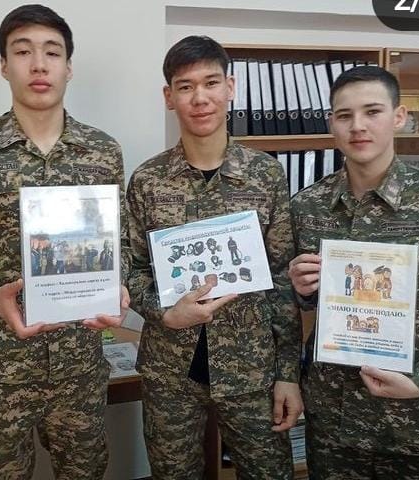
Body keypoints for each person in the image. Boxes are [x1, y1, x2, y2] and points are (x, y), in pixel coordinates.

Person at [0, 5, 130, 479]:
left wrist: (117, 288)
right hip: (1, 369)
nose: (39, 64)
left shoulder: (102, 152)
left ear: (68, 67)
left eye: (52, 52)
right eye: (23, 52)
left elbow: (118, 247)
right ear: (3, 65)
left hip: (81, 364)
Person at [288, 65, 419, 479]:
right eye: (344, 115)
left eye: (372, 111)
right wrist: (301, 288)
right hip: (334, 421)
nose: (358, 126)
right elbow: (296, 306)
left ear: (399, 117)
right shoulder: (308, 206)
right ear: (331, 123)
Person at [126, 35, 302, 479]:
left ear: (230, 87)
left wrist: (288, 373)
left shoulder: (265, 175)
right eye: (185, 87)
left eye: (210, 83)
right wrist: (164, 312)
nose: (200, 98)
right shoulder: (147, 180)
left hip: (252, 368)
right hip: (171, 370)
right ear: (169, 97)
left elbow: (281, 279)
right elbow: (132, 268)